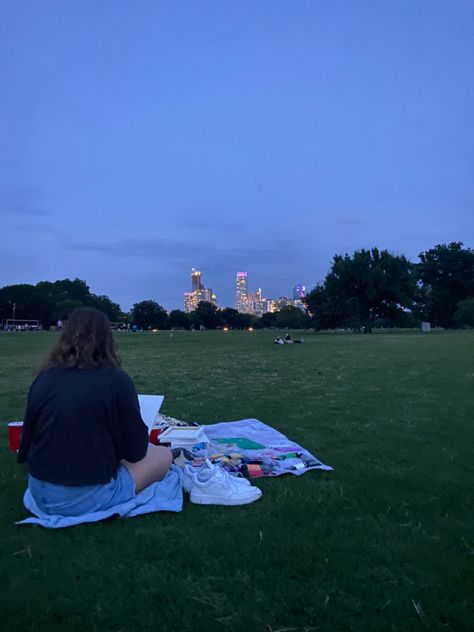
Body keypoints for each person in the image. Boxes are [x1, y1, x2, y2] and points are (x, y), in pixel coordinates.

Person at [18, 307, 173, 518]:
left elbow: (26, 441)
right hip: (80, 497)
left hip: (38, 489)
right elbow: (136, 451)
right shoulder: (116, 380)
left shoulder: (44, 378)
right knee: (162, 455)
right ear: (107, 339)